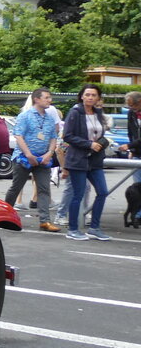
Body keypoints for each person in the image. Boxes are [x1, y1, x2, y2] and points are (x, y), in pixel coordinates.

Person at [4, 88, 61, 233]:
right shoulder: (25, 116)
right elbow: (18, 136)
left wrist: (49, 153)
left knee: (44, 189)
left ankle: (45, 221)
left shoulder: (49, 118)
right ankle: (4, 216)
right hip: (24, 158)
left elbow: (54, 137)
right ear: (36, 99)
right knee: (16, 187)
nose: (50, 100)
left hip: (43, 159)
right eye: (46, 97)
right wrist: (29, 154)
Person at [63, 83, 113, 241]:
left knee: (103, 191)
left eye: (93, 95)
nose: (90, 97)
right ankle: (72, 229)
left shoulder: (98, 112)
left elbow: (99, 132)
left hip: (95, 159)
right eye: (88, 95)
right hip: (78, 159)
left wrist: (100, 142)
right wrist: (89, 144)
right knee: (78, 194)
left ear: (98, 98)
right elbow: (67, 136)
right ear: (82, 96)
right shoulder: (75, 112)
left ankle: (94, 228)